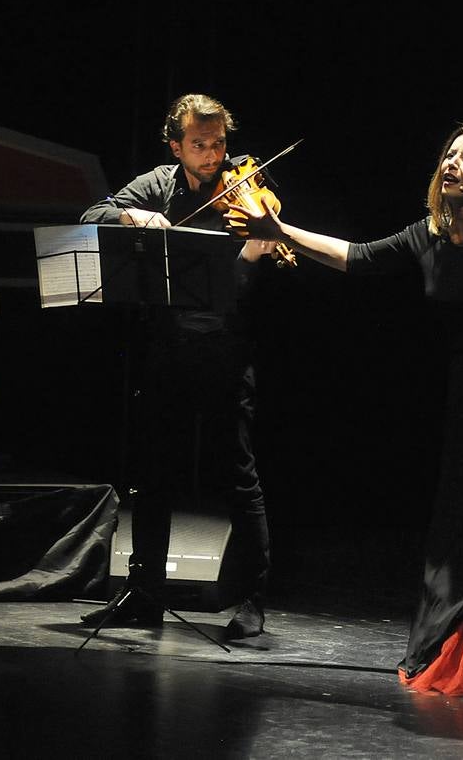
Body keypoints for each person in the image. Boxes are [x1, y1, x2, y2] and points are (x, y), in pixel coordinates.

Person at [238, 123, 463, 696]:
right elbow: (356, 257)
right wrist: (281, 232)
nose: (452, 164)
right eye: (449, 155)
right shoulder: (430, 235)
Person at [78, 93, 275, 639]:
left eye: (219, 144)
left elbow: (244, 280)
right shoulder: (158, 185)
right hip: (167, 349)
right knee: (153, 475)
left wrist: (259, 245)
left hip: (225, 350)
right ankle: (145, 594)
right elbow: (92, 215)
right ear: (176, 146)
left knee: (237, 476)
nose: (213, 156)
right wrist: (132, 214)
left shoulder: (246, 188)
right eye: (200, 144)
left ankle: (252, 597)